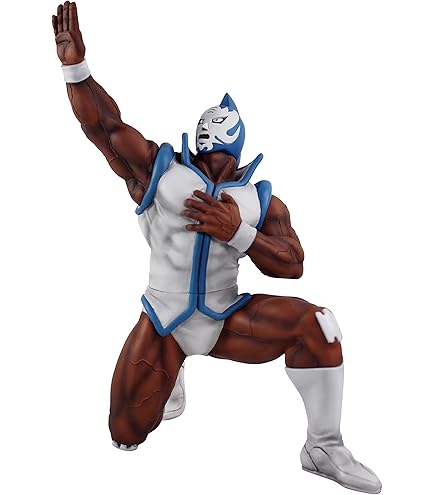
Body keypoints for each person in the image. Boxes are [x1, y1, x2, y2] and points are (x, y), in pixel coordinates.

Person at [52, 2, 381, 493]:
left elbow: (294, 264)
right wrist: (76, 68)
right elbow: (104, 128)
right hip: (164, 320)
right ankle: (172, 372)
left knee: (319, 326)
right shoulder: (162, 172)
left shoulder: (258, 200)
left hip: (227, 318)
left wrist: (238, 233)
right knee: (125, 432)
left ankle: (324, 446)